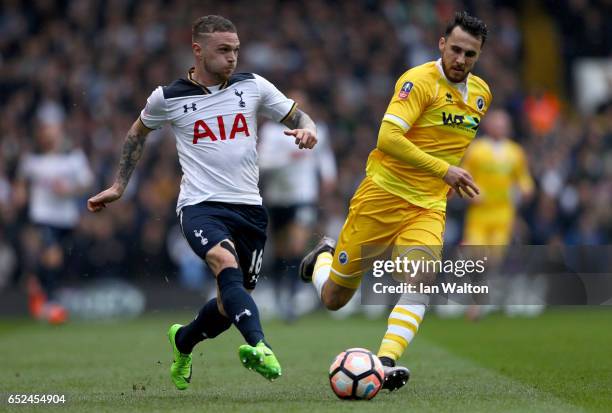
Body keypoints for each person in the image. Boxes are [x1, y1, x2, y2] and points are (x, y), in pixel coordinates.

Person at [87, 15, 318, 387]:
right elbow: (136, 135)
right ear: (198, 50)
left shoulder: (253, 86)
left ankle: (183, 340)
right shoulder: (168, 97)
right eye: (224, 50)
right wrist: (118, 186)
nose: (233, 58)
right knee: (223, 261)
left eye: (237, 50)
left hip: (250, 209)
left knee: (230, 304)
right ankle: (261, 346)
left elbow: (298, 114)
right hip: (201, 205)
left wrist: (309, 129)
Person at [299, 11, 490, 391]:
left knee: (421, 278)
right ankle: (322, 256)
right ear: (441, 44)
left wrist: (445, 177)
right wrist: (444, 170)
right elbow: (387, 139)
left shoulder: (482, 95)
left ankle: (384, 364)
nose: (461, 60)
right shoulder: (418, 81)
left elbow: (447, 144)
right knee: (334, 298)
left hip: (429, 206)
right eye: (455, 50)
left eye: (470, 54)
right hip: (382, 197)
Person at [258, 89, 337, 321]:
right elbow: (262, 162)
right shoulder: (272, 132)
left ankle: (291, 300)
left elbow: (323, 157)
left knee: (296, 247)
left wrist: (328, 176)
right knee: (281, 251)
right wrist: (286, 159)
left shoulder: (317, 130)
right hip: (277, 197)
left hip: (304, 195)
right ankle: (280, 294)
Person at [14, 118, 94, 324]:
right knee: (53, 256)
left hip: (67, 219)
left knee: (59, 260)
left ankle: (35, 283)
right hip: (42, 216)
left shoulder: (73, 158)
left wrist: (69, 190)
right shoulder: (33, 160)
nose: (49, 135)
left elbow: (87, 183)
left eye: (53, 130)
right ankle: (50, 303)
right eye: (46, 131)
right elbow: (21, 180)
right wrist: (20, 192)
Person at [461, 108, 535, 319]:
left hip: (503, 214)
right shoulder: (476, 150)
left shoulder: (515, 152)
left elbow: (523, 177)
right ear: (488, 126)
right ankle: (477, 298)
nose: (501, 128)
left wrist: (527, 188)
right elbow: (464, 177)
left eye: (504, 125)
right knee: (477, 257)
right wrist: (470, 194)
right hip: (480, 213)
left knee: (493, 259)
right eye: (498, 124)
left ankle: (479, 301)